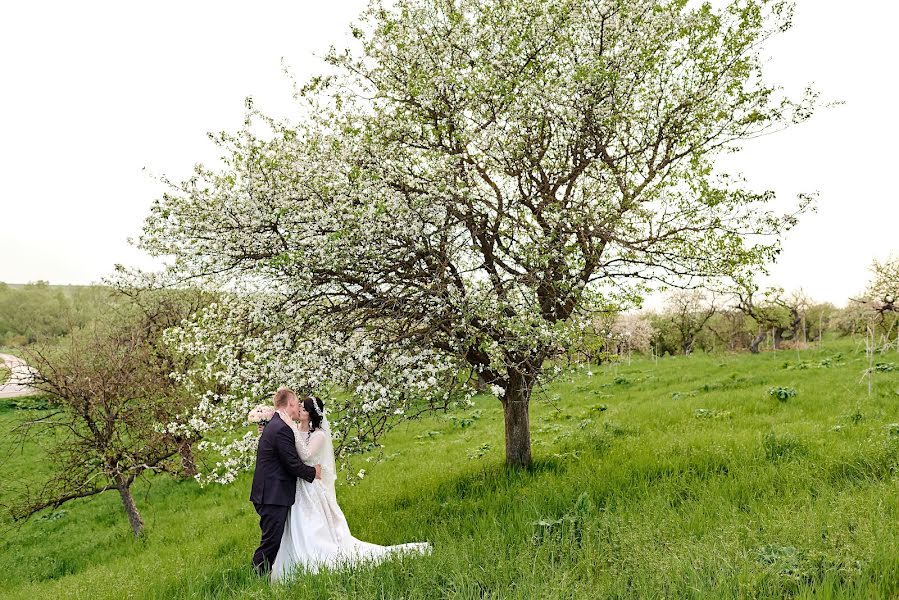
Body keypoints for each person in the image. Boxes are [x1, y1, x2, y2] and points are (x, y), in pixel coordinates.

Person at [270, 395, 431, 581]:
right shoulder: (296, 429)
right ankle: (292, 561)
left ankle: (316, 557)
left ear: (312, 414)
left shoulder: (319, 435)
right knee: (294, 524)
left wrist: (290, 428)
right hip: (297, 484)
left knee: (311, 524)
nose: (299, 410)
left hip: (311, 486)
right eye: (300, 408)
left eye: (304, 409)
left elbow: (305, 456)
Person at [249, 388, 322, 575]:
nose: (298, 406)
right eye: (296, 402)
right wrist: (313, 472)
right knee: (271, 541)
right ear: (290, 403)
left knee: (273, 538)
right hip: (272, 495)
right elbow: (292, 464)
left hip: (270, 492)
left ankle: (266, 574)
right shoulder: (281, 428)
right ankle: (256, 576)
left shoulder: (277, 424)